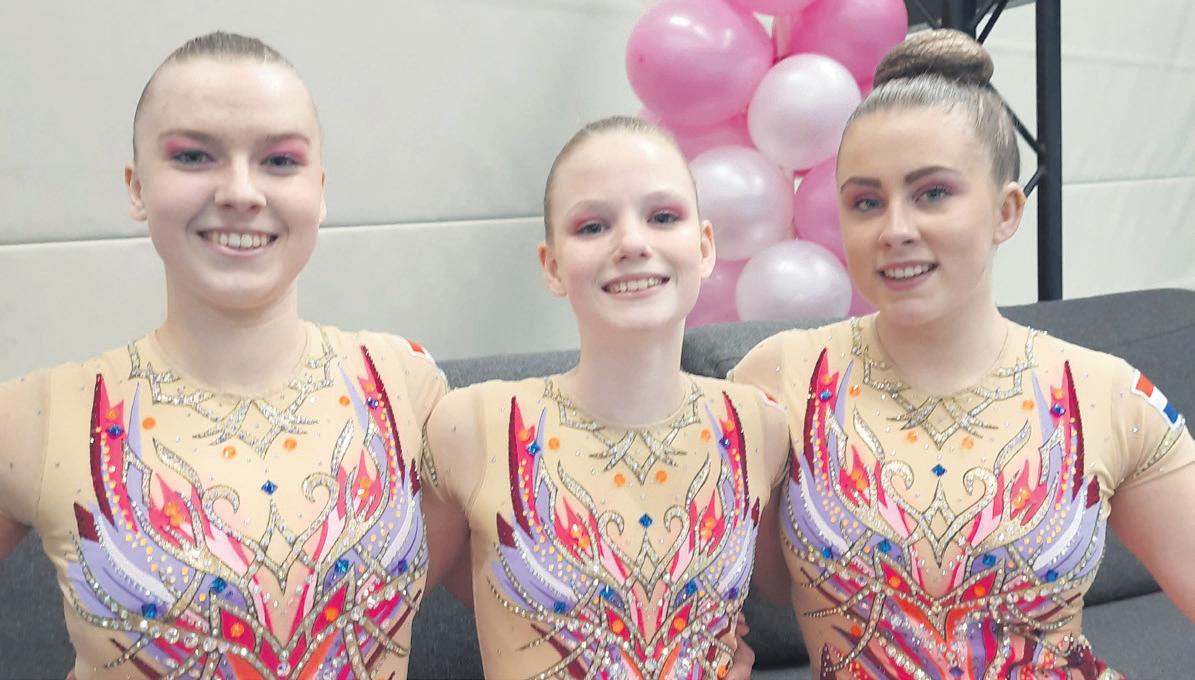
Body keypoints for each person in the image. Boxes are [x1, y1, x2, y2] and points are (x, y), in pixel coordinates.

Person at [733, 28, 1195, 678]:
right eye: (866, 202)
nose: (895, 229)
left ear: (1006, 211)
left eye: (932, 194)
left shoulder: (1108, 395)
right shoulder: (779, 379)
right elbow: (746, 588)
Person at [0, 32, 448, 678]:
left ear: (320, 190)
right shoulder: (33, 416)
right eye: (193, 156)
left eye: (280, 161)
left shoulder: (408, 386)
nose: (241, 191)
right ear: (136, 187)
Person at [421, 115, 787, 679]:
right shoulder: (471, 426)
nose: (633, 243)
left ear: (704, 247)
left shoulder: (758, 426)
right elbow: (375, 613)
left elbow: (795, 592)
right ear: (552, 266)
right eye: (593, 227)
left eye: (663, 217)